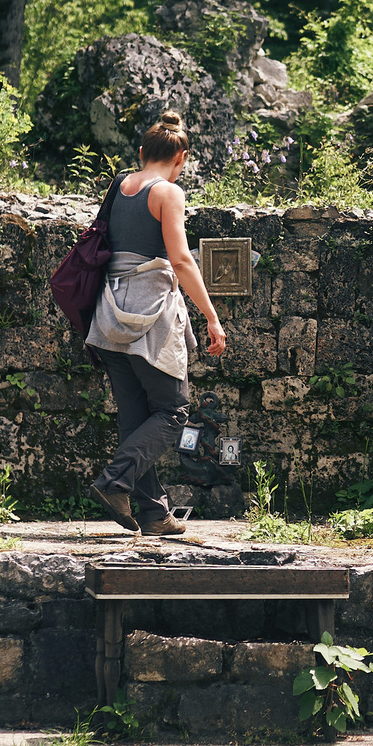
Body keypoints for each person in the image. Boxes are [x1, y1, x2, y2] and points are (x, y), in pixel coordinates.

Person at [86, 104, 227, 534]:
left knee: (134, 418)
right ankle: (114, 480)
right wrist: (212, 317)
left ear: (143, 149)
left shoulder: (119, 186)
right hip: (149, 315)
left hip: (109, 313)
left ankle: (153, 514)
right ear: (180, 158)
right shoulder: (168, 193)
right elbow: (181, 260)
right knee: (172, 410)